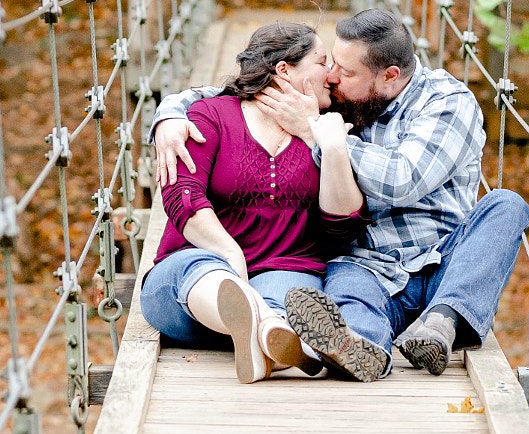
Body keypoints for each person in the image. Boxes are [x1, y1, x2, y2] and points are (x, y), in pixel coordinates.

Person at [152, 8, 529, 383]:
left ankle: (441, 323)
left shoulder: (445, 102)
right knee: (347, 305)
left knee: (507, 205)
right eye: (329, 62)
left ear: (389, 76)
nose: (332, 76)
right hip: (369, 264)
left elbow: (402, 179)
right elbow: (240, 90)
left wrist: (317, 133)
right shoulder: (346, 99)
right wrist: (169, 111)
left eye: (345, 71)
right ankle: (358, 355)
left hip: (446, 260)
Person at [141, 22, 368, 384]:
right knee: (205, 272)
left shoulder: (330, 127)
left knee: (292, 303)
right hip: (192, 282)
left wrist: (331, 145)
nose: (333, 74)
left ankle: (264, 338)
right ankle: (265, 330)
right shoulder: (212, 115)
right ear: (284, 70)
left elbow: (342, 227)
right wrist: (230, 256)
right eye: (322, 61)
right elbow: (182, 195)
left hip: (285, 270)